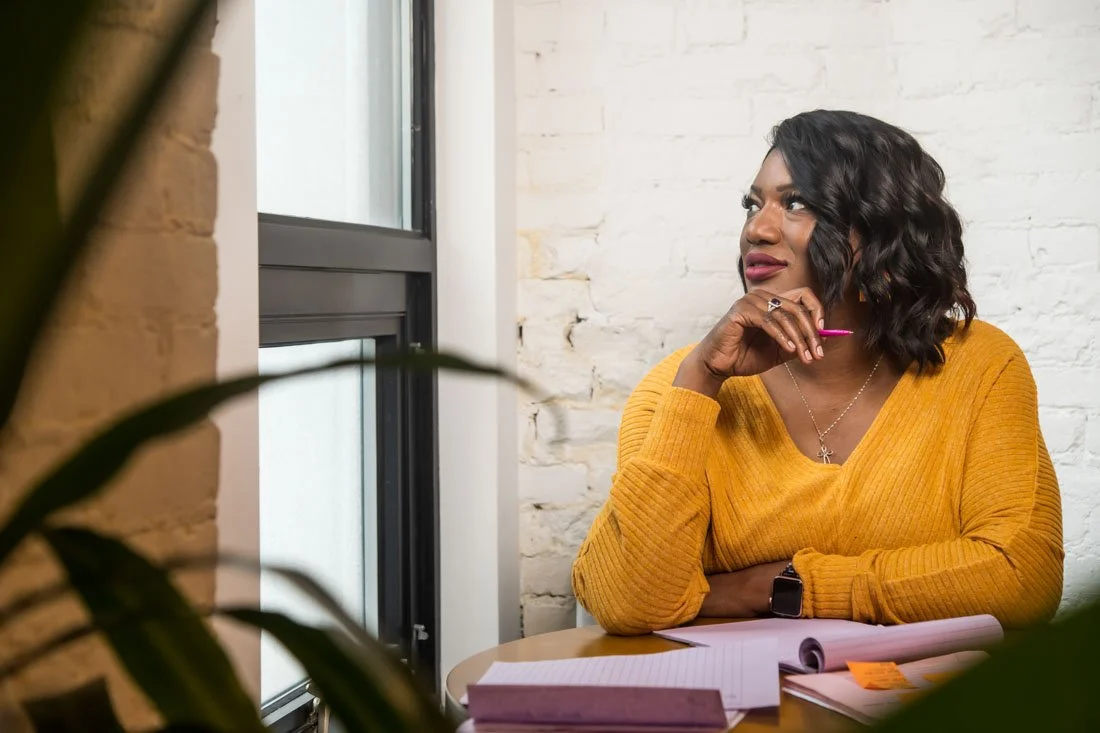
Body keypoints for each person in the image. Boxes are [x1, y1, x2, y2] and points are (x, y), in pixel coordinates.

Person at [571, 110, 1064, 636]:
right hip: (733, 686)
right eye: (753, 205)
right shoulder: (681, 386)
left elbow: (1019, 577)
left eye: (796, 203)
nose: (756, 230)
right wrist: (701, 378)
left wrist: (777, 587)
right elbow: (631, 604)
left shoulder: (979, 366)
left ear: (881, 230)